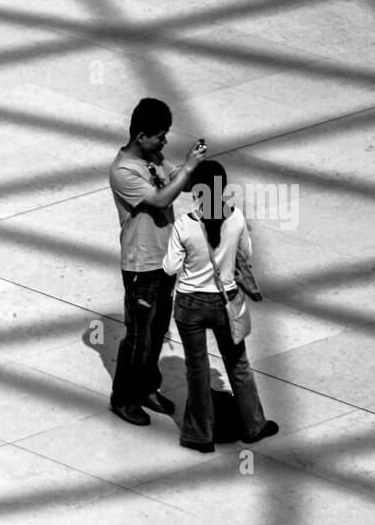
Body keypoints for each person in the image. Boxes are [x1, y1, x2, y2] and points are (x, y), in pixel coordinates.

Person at [162, 160, 278, 452]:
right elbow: (246, 253)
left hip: (189, 303)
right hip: (225, 301)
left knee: (197, 369)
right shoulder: (236, 218)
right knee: (237, 363)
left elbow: (169, 267)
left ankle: (199, 436)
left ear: (195, 191)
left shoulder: (184, 223)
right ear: (223, 188)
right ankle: (254, 425)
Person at [108, 98, 207, 426]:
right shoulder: (124, 171)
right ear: (140, 136)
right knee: (138, 336)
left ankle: (147, 388)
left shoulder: (154, 158)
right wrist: (188, 168)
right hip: (141, 266)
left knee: (158, 329)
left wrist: (194, 170)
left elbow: (173, 183)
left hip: (164, 261)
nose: (164, 142)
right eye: (159, 136)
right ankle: (123, 398)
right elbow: (161, 198)